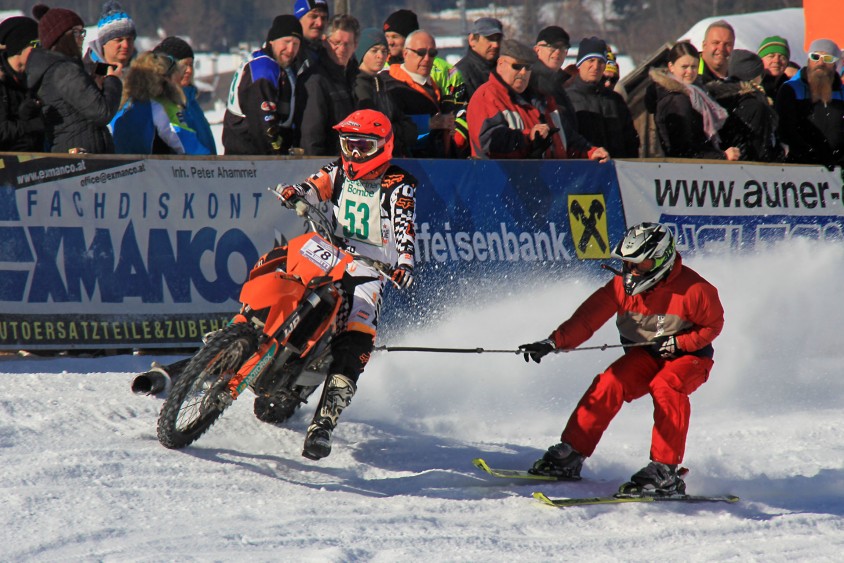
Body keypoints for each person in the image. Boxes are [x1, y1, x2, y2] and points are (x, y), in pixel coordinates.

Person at [519, 222, 724, 495]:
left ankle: (665, 471)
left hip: (690, 358)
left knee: (666, 385)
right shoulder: (620, 287)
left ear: (662, 258)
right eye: (628, 264)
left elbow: (713, 326)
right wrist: (553, 342)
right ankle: (572, 454)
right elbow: (587, 319)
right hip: (646, 355)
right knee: (609, 382)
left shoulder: (696, 289)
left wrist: (679, 342)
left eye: (641, 264)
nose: (632, 271)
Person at [276, 109, 416, 460]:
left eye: (363, 146)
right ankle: (237, 340)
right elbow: (312, 187)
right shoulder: (336, 170)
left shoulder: (398, 184)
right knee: (281, 271)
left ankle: (323, 425)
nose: (354, 154)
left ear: (382, 146)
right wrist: (296, 193)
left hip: (372, 268)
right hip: (329, 251)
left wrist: (404, 263)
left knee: (358, 335)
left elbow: (404, 227)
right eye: (348, 144)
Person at [467, 38, 608, 161]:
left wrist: (591, 152)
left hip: (549, 183)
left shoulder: (544, 99)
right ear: (501, 64)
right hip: (503, 185)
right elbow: (489, 142)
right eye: (517, 66)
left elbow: (567, 139)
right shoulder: (487, 96)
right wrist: (529, 138)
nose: (523, 72)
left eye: (527, 67)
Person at [26, 4, 123, 153]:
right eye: (76, 32)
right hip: (80, 156)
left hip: (73, 150)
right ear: (60, 37)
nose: (81, 38)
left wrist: (94, 86)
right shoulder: (65, 71)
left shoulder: (53, 69)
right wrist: (112, 80)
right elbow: (102, 113)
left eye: (82, 32)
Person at [223, 14, 302, 156]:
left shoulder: (279, 66)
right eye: (286, 42)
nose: (290, 49)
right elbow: (264, 126)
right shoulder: (264, 69)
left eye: (296, 44)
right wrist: (278, 156)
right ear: (272, 41)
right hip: (250, 159)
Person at [647, 42, 740, 160]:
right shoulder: (676, 100)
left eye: (694, 67)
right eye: (684, 67)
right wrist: (722, 156)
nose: (690, 72)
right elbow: (683, 150)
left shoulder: (697, 93)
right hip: (686, 172)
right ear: (671, 67)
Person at [110, 51, 211, 155]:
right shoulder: (159, 107)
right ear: (165, 79)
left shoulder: (121, 104)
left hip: (122, 167)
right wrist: (210, 164)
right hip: (153, 168)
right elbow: (186, 143)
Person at [388, 30, 466, 157]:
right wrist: (428, 124)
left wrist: (449, 131)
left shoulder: (435, 87)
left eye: (432, 53)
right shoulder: (388, 86)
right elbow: (387, 128)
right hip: (405, 166)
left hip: (435, 165)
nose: (427, 59)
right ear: (405, 53)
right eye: (421, 52)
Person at [565, 37, 640, 158]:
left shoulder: (615, 101)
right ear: (579, 64)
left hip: (616, 170)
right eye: (591, 60)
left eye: (600, 62)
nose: (596, 66)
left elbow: (630, 141)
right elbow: (567, 141)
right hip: (582, 170)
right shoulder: (567, 98)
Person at [776, 39, 844, 167]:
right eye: (815, 56)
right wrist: (810, 156)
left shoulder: (842, 93)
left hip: (836, 170)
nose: (821, 63)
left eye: (828, 58)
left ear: (835, 65)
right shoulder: (791, 89)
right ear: (808, 60)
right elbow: (786, 130)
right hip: (802, 168)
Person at [299, 14, 359, 156]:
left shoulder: (356, 78)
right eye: (336, 43)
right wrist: (317, 169)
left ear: (355, 46)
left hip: (354, 160)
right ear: (325, 42)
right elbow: (311, 134)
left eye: (347, 44)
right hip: (328, 164)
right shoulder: (316, 79)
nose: (342, 49)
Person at [708, 49, 783, 162]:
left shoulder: (715, 97)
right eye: (761, 74)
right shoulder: (755, 104)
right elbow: (760, 150)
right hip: (748, 172)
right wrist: (780, 153)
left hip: (720, 166)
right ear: (755, 76)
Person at [353, 27, 416, 156]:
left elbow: (410, 128)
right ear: (362, 52)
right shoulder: (357, 85)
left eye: (384, 51)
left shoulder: (383, 83)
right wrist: (396, 130)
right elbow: (372, 129)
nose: (380, 56)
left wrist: (393, 130)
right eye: (374, 51)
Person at [153, 36, 217, 155]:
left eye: (191, 65)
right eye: (183, 65)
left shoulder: (192, 101)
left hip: (206, 169)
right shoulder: (164, 102)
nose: (189, 70)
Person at [0, 16, 45, 151]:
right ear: (19, 47)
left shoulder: (34, 76)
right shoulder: (2, 81)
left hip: (37, 163)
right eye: (36, 44)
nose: (40, 50)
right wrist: (32, 125)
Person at [83, 1, 137, 78]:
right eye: (119, 40)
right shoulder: (85, 74)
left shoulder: (145, 72)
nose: (125, 45)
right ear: (103, 43)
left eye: (129, 39)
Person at [455, 17, 503, 100]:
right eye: (490, 38)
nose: (496, 45)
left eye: (498, 39)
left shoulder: (504, 70)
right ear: (472, 40)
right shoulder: (461, 74)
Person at [293, 0, 328, 74]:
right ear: (299, 19)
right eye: (313, 16)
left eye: (323, 18)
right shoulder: (290, 51)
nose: (319, 23)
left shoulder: (331, 52)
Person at [757, 35, 791, 101]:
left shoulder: (790, 92)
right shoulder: (748, 86)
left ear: (787, 63)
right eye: (771, 56)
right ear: (760, 60)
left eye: (782, 57)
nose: (777, 61)